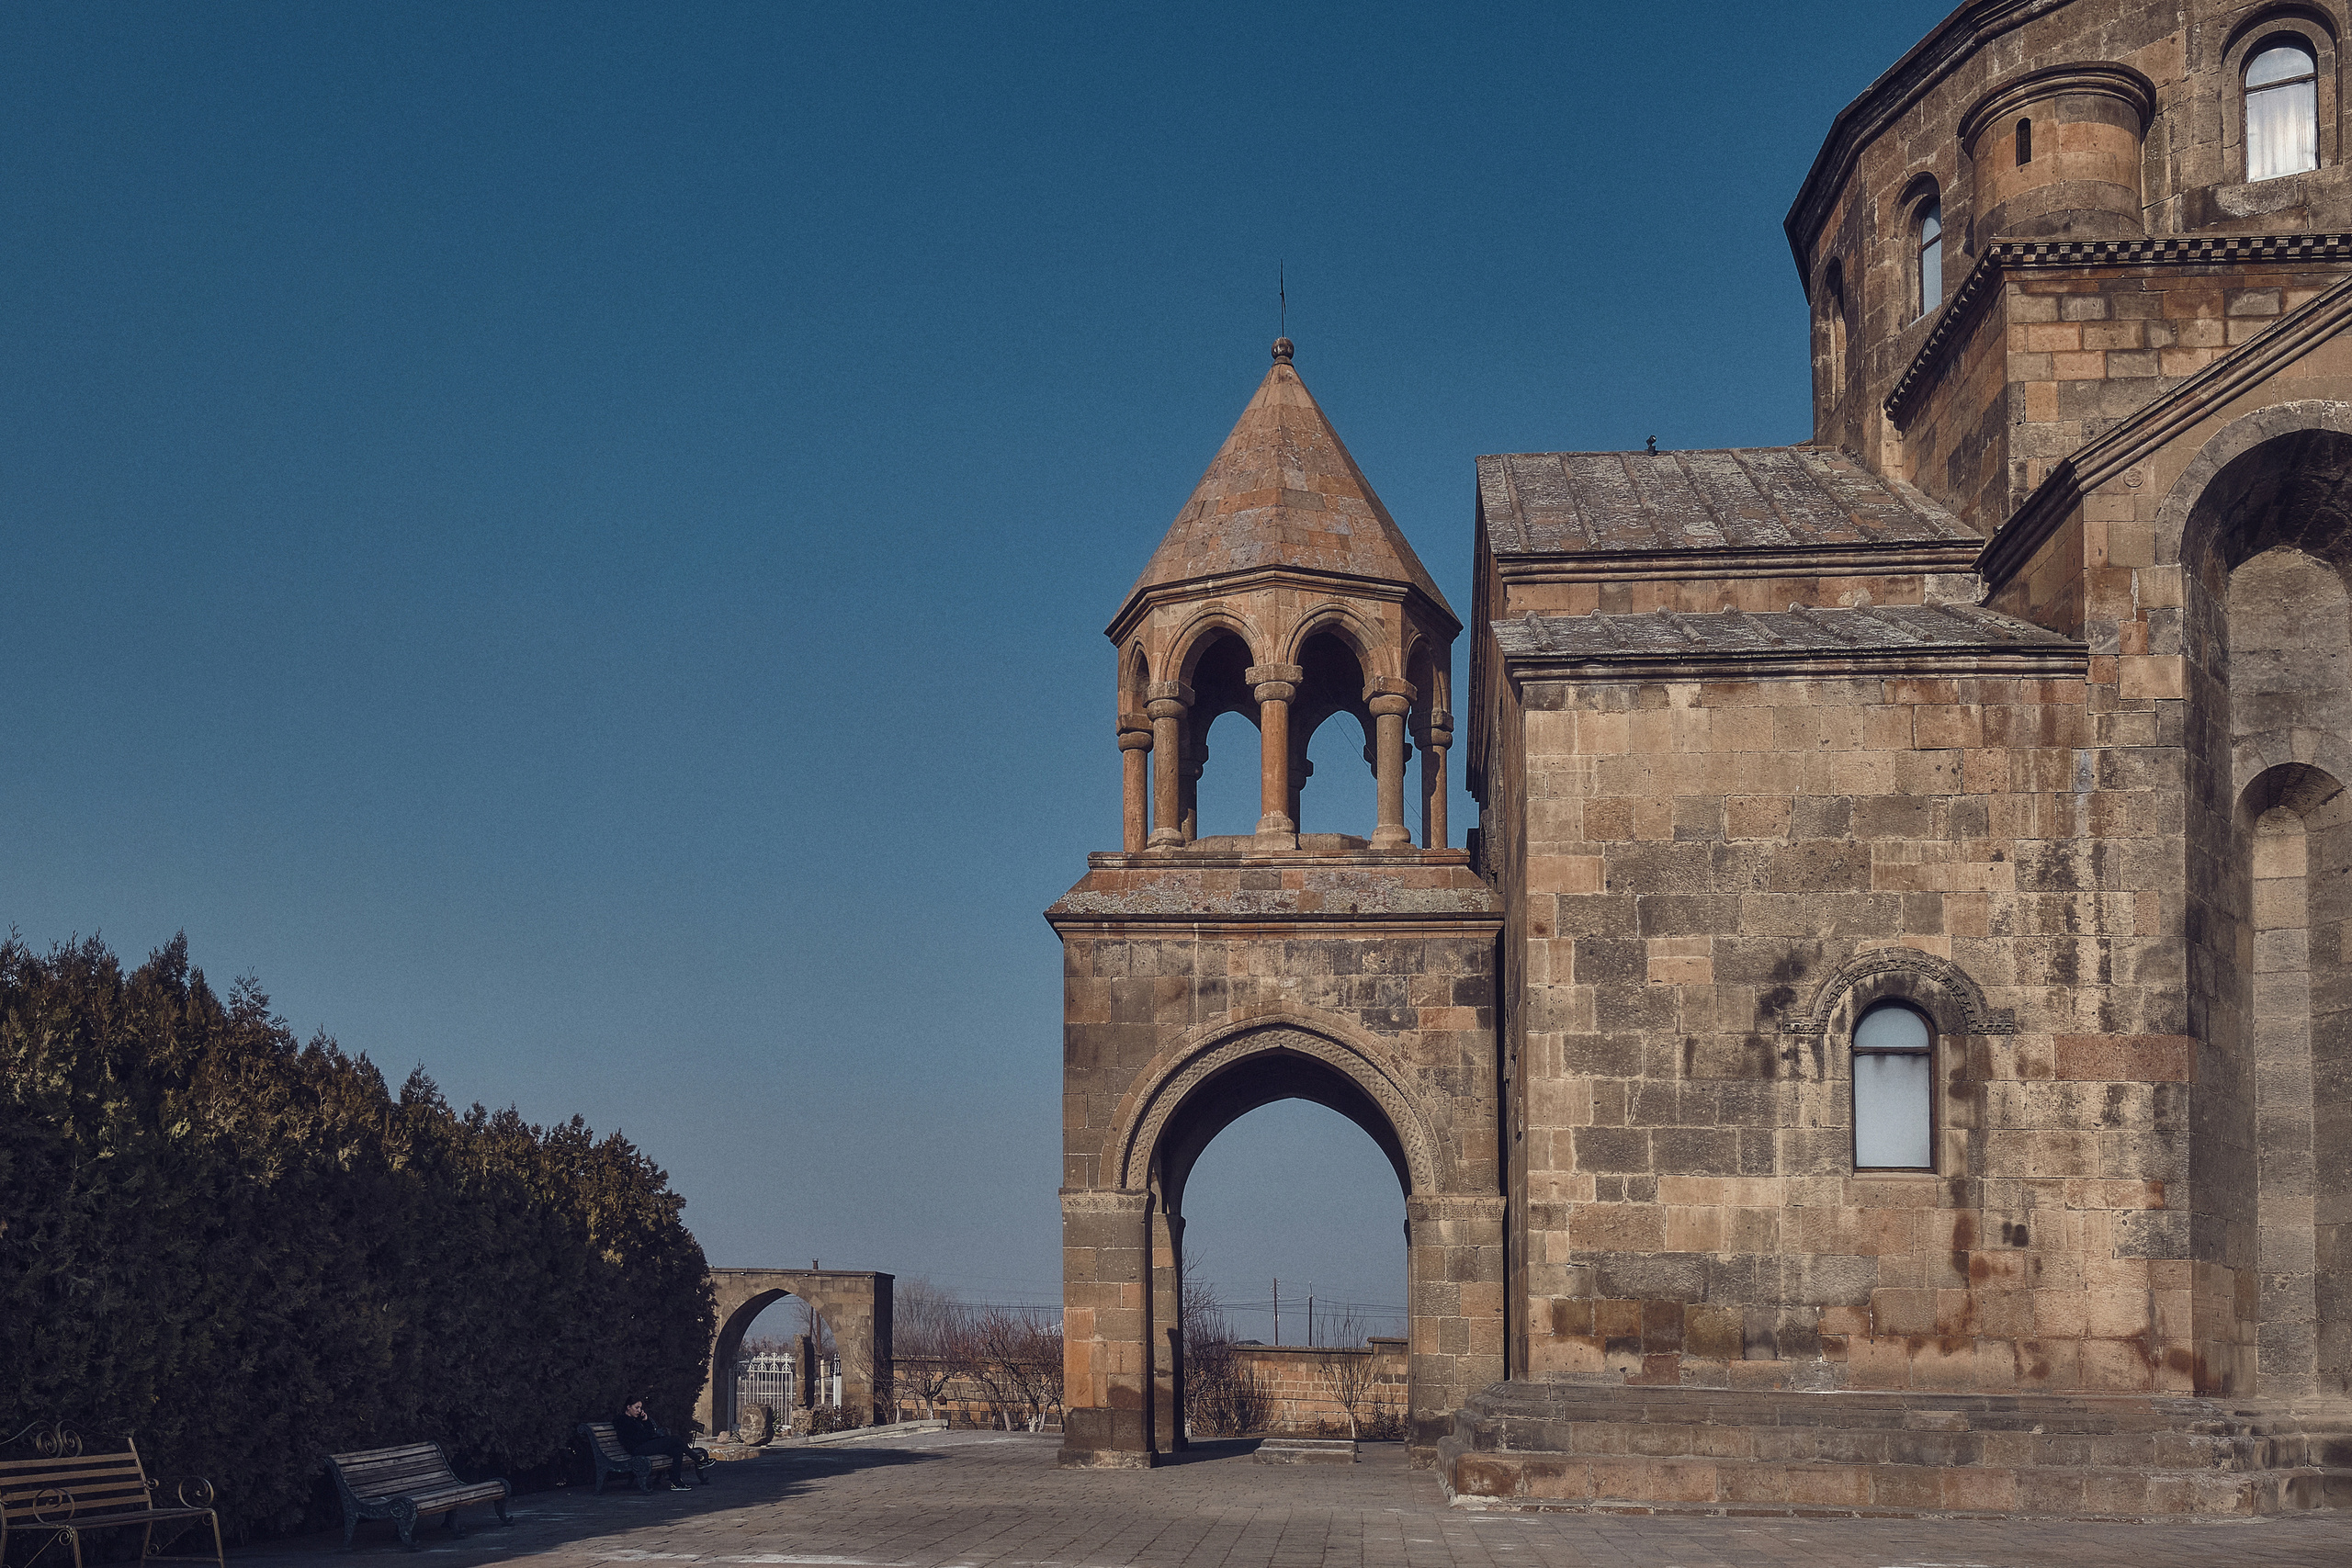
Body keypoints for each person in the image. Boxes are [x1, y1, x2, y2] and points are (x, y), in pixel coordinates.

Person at [615, 1396, 709, 1490]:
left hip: (646, 1444)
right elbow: (639, 1437)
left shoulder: (636, 1419)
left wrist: (646, 1420)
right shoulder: (623, 1420)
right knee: (676, 1439)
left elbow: (649, 1432)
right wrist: (650, 1435)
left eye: (640, 1408)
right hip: (637, 1448)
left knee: (677, 1450)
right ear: (628, 1407)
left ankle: (676, 1482)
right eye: (637, 1407)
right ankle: (698, 1460)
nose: (639, 1410)